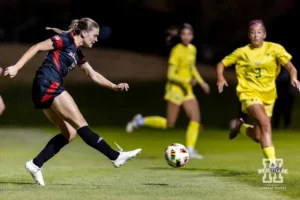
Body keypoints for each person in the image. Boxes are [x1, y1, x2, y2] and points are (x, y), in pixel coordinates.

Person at [4, 18, 142, 186]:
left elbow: (93, 74)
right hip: (48, 83)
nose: (96, 39)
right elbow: (37, 47)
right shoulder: (65, 39)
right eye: (95, 35)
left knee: (70, 133)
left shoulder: (77, 52)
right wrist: (17, 67)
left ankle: (35, 164)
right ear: (84, 33)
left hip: (43, 87)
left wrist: (114, 86)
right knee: (81, 124)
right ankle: (115, 156)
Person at [216, 19, 300, 164]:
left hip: (268, 95)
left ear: (264, 35)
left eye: (259, 32)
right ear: (249, 36)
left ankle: (240, 127)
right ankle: (273, 165)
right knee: (266, 123)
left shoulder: (274, 49)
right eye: (252, 32)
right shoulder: (242, 52)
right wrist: (220, 77)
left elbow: (291, 67)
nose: (256, 35)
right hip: (248, 93)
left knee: (258, 136)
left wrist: (293, 77)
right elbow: (221, 63)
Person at [126, 23, 210, 159]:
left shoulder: (192, 49)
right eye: (183, 34)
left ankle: (190, 149)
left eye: (189, 34)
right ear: (180, 36)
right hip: (175, 90)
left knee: (195, 118)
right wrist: (186, 81)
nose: (186, 37)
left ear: (193, 36)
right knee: (169, 123)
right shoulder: (176, 51)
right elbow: (170, 75)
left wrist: (202, 82)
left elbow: (192, 67)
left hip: (187, 91)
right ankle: (140, 121)